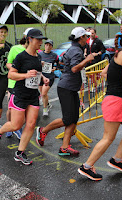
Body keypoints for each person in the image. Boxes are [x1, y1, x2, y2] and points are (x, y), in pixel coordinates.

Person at [77, 30, 122, 181]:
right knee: (108, 138)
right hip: (114, 101)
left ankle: (117, 159)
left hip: (116, 100)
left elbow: (103, 73)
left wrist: (116, 79)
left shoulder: (118, 54)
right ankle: (87, 166)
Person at [0, 29, 49, 165]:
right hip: (20, 95)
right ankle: (0, 130)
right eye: (38, 39)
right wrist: (25, 75)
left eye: (42, 40)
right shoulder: (21, 57)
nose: (41, 42)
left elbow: (37, 73)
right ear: (30, 39)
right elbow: (11, 75)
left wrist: (43, 78)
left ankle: (20, 153)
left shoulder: (38, 57)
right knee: (16, 124)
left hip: (33, 95)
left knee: (30, 124)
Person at [36, 27, 96, 156]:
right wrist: (87, 59)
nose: (87, 38)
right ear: (81, 38)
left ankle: (64, 147)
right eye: (86, 36)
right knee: (68, 119)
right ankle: (43, 130)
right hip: (66, 88)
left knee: (74, 118)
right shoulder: (76, 50)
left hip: (70, 87)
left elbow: (63, 61)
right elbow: (74, 68)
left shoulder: (73, 48)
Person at [5, 28, 33, 139]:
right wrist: (16, 70)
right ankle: (10, 127)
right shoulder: (15, 48)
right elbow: (8, 63)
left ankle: (17, 127)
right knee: (11, 108)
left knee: (24, 109)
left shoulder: (36, 51)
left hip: (28, 84)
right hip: (14, 83)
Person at [38, 39, 59, 116]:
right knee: (42, 93)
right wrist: (40, 64)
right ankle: (48, 103)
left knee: (43, 93)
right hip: (40, 76)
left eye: (50, 45)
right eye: (46, 45)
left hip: (49, 76)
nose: (48, 46)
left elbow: (58, 64)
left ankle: (45, 109)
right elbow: (35, 64)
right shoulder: (39, 54)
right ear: (44, 45)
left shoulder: (54, 55)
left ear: (52, 47)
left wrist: (55, 68)